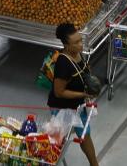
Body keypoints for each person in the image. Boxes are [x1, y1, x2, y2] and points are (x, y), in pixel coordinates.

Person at [46, 23, 101, 166]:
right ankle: (48, 161)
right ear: (66, 45)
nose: (80, 44)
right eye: (76, 42)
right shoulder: (63, 63)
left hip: (77, 106)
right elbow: (59, 92)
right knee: (57, 141)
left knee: (85, 135)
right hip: (62, 108)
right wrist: (82, 93)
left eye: (80, 40)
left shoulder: (77, 54)